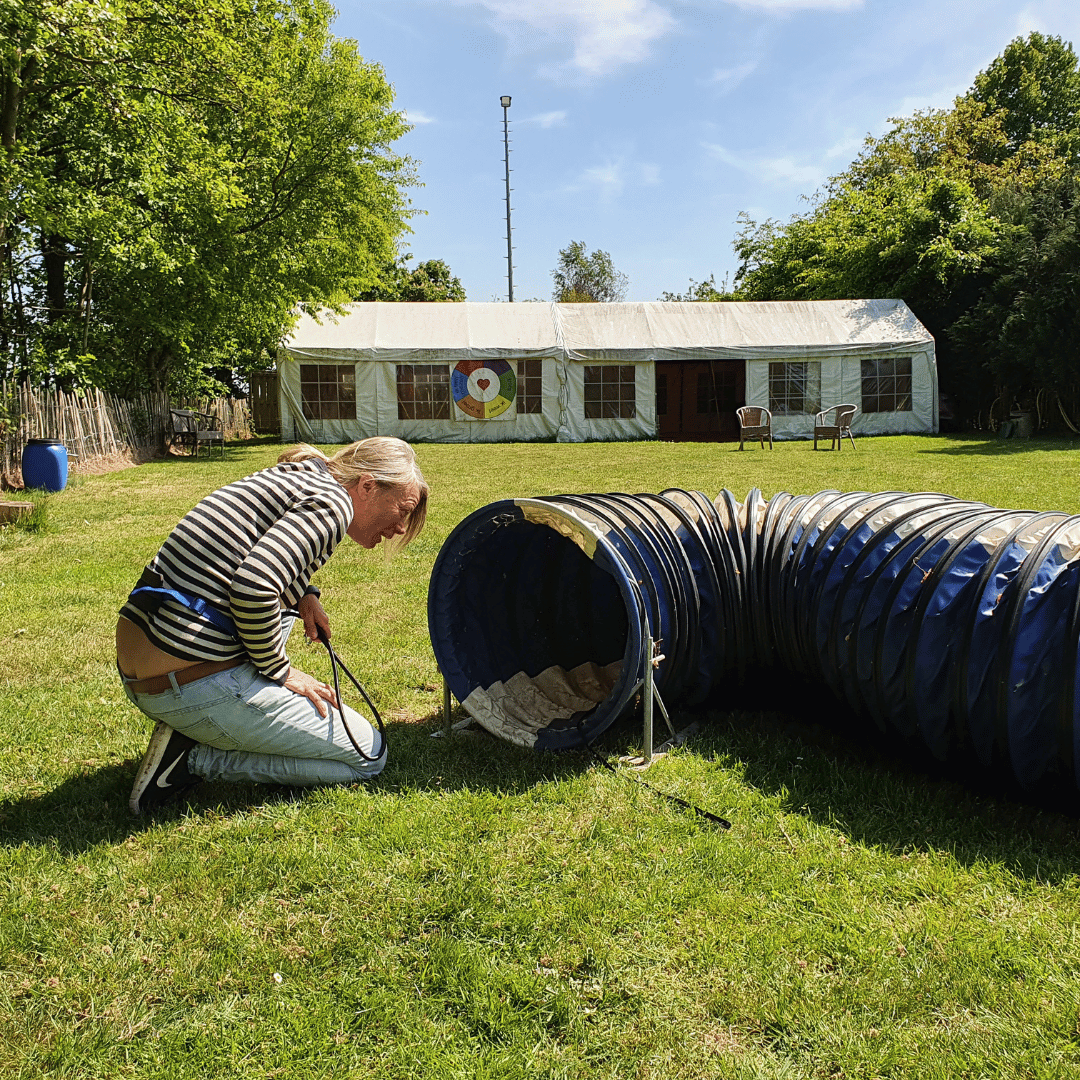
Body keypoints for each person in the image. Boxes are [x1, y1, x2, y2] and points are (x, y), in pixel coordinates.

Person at [116, 437, 428, 815]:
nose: (399, 527)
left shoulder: (305, 476)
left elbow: (250, 549)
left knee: (283, 610)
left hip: (146, 660)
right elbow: (253, 586)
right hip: (183, 682)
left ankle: (198, 722)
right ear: (367, 485)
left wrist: (304, 594)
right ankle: (192, 760)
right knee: (369, 754)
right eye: (403, 509)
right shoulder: (333, 506)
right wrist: (282, 672)